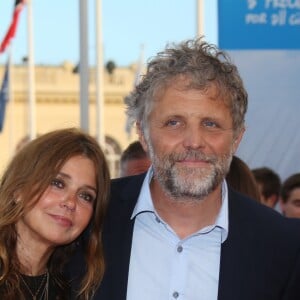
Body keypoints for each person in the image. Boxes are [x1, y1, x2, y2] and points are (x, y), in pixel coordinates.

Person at [70, 38, 300, 300]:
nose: (194, 141)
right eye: (174, 122)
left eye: (211, 124)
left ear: (236, 139)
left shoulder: (284, 245)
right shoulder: (87, 219)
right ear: (143, 135)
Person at [0, 128, 110, 300]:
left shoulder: (75, 288)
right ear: (18, 190)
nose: (70, 202)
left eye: (85, 196)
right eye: (57, 183)